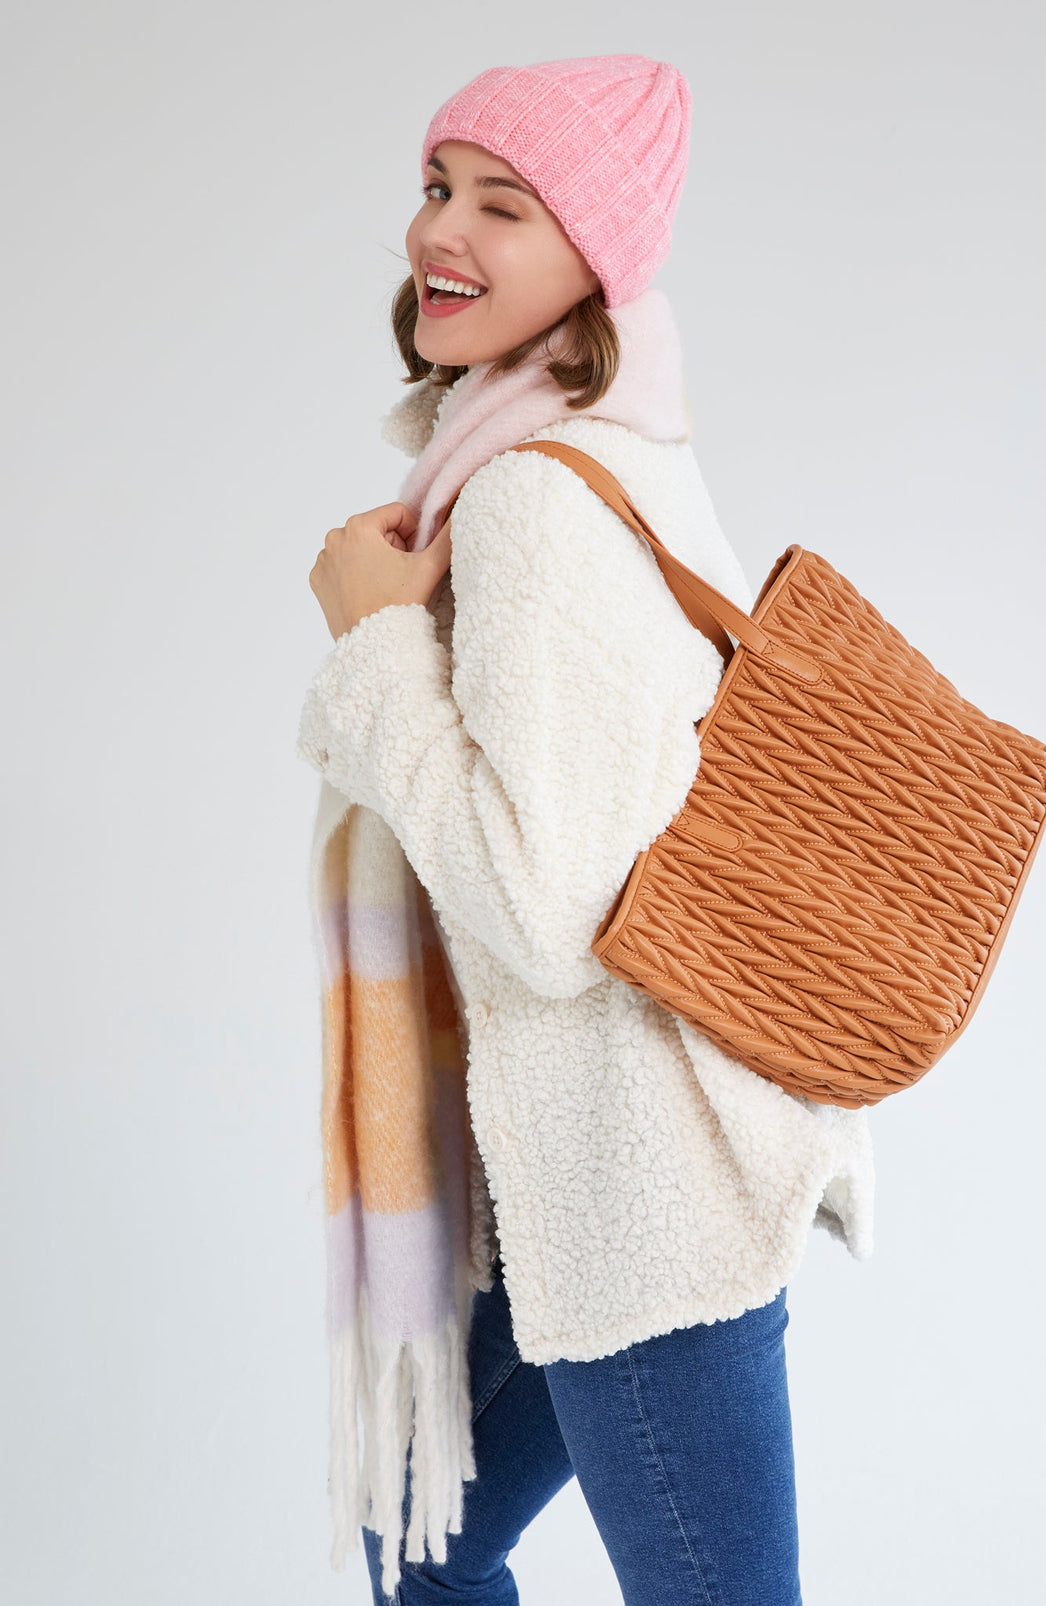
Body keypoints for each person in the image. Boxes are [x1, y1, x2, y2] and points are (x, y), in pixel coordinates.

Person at [297, 54, 875, 1606]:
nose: (445, 231)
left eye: (507, 204)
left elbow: (545, 910)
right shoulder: (608, 441)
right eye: (438, 186)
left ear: (594, 262)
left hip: (643, 1209)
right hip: (616, 1173)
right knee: (423, 1533)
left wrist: (374, 649)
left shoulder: (533, 500)